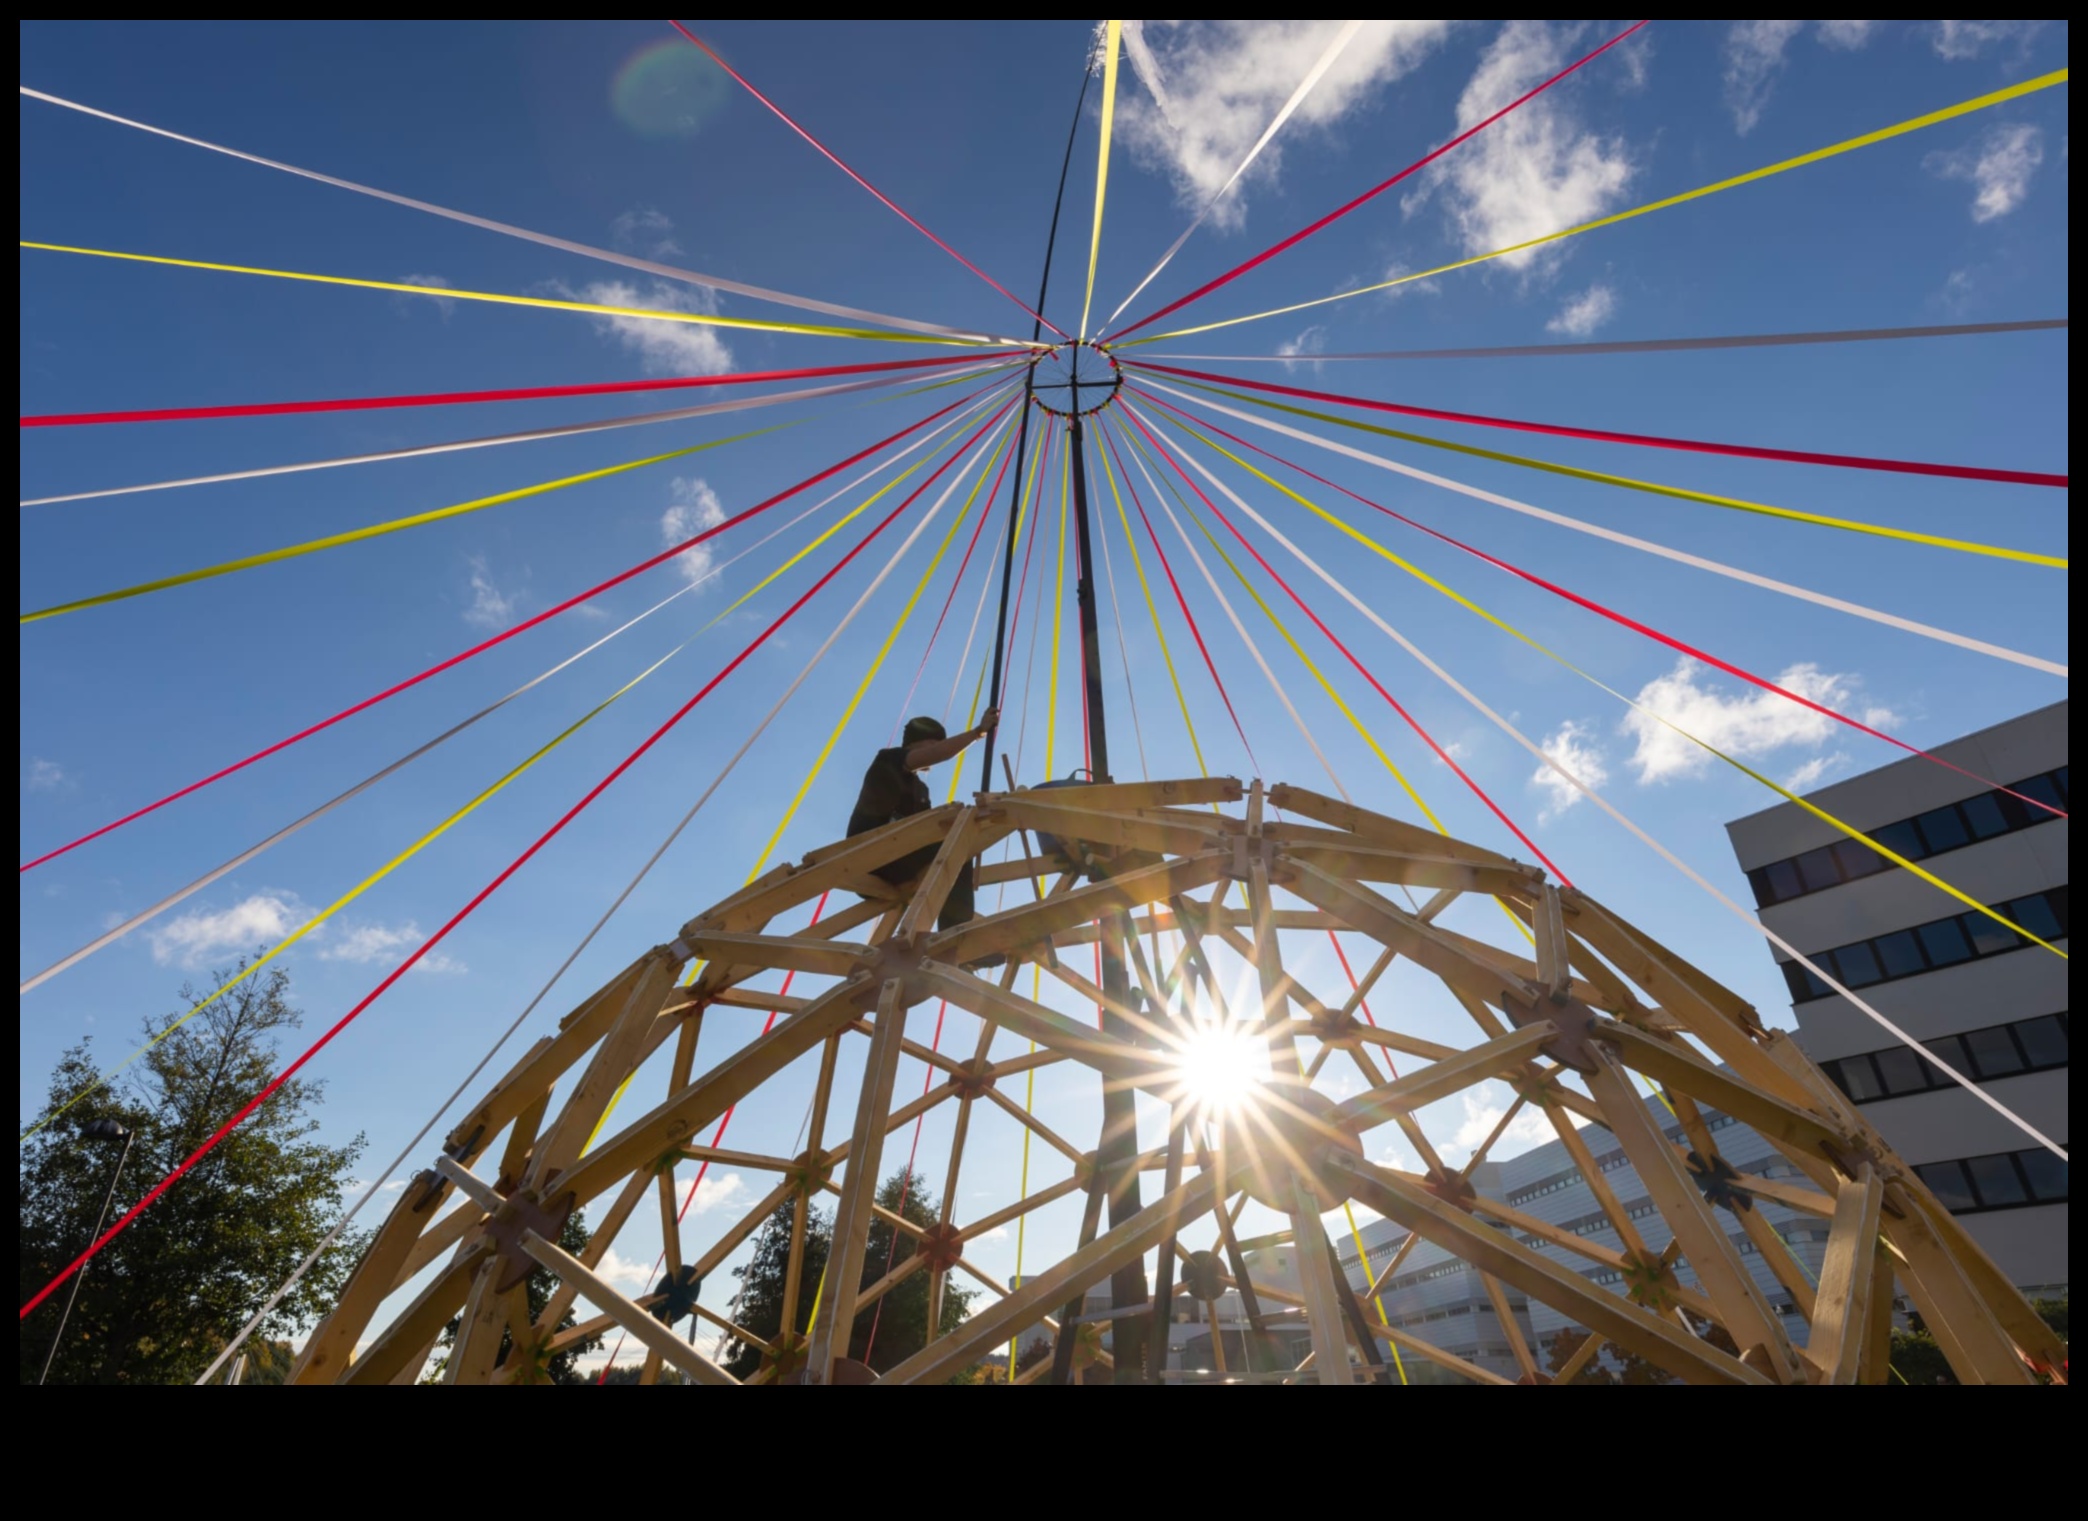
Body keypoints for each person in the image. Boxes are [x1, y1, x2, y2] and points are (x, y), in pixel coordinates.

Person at [848, 709, 998, 931]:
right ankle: (954, 936)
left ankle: (957, 939)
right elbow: (940, 753)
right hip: (871, 853)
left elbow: (930, 831)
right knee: (955, 850)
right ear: (919, 743)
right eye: (933, 746)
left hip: (898, 859)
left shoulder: (920, 790)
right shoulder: (890, 759)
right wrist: (978, 732)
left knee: (957, 851)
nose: (934, 754)